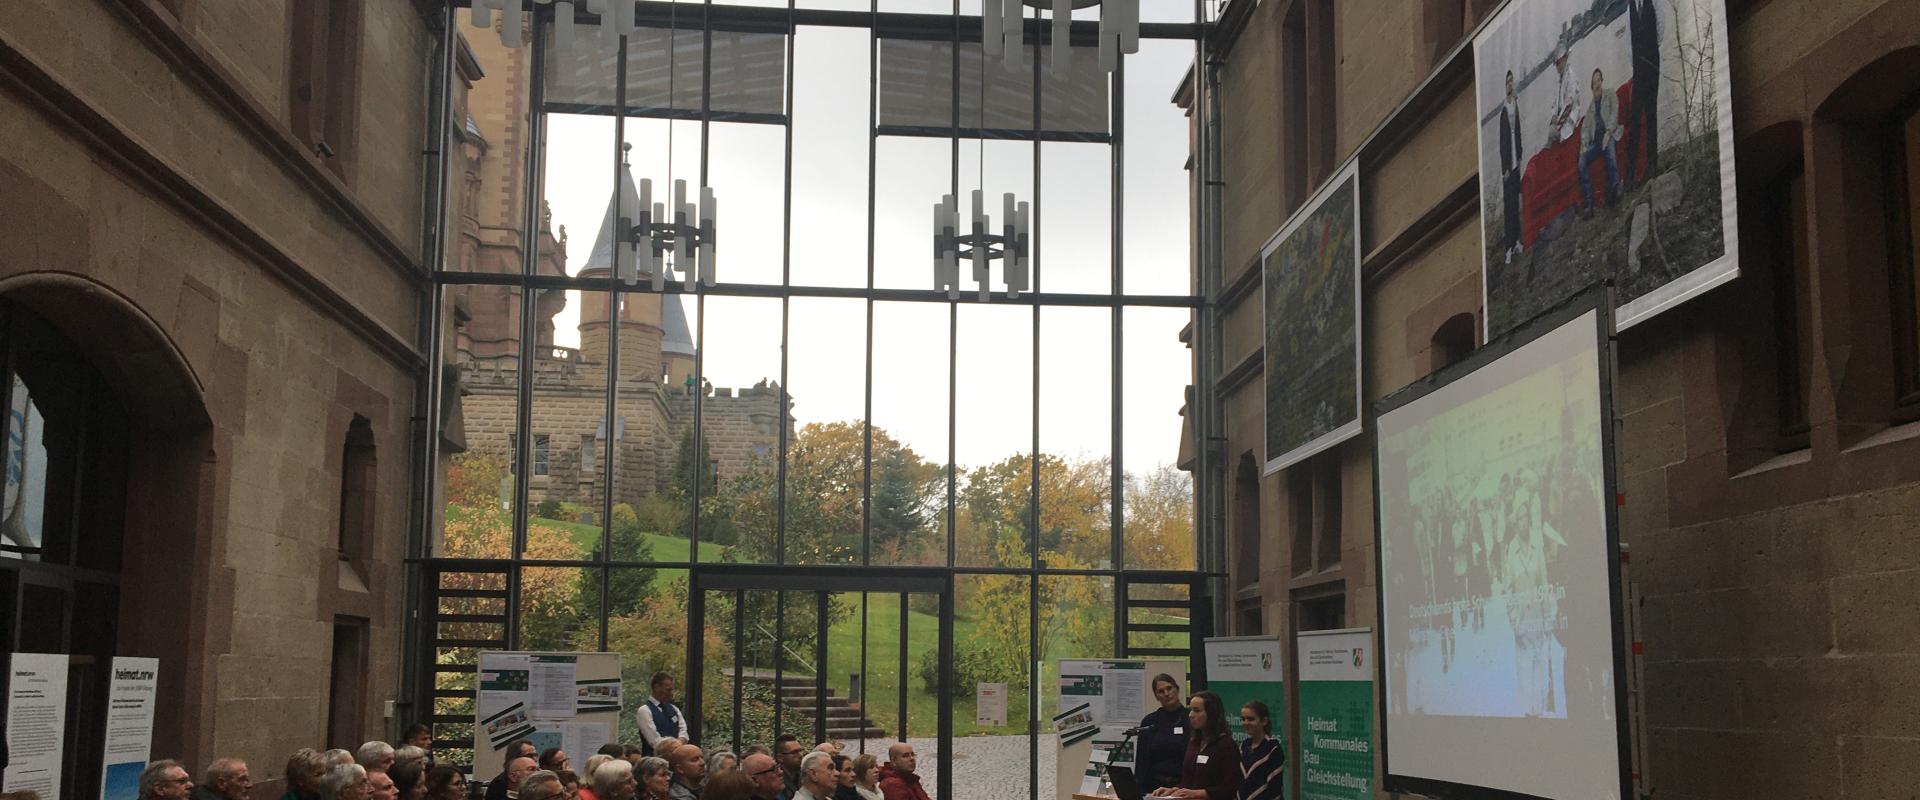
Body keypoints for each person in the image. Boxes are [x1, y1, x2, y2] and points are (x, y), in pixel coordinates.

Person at [1148, 691, 1236, 800]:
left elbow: (1230, 788)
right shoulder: (1194, 742)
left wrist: (1198, 793)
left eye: (1197, 711)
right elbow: (1188, 782)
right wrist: (1174, 790)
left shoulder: (1226, 745)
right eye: (1190, 710)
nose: (1190, 715)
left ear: (1211, 714)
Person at [1577, 67, 1623, 212]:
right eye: (1594, 83)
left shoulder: (1610, 94)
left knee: (1609, 151)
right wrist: (1584, 146)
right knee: (1582, 161)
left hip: (1609, 135)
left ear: (1602, 81)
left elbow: (1614, 114)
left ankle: (1616, 189)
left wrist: (1608, 133)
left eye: (1598, 80)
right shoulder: (1590, 109)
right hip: (1596, 143)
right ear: (1591, 87)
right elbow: (1584, 130)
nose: (1597, 85)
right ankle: (1589, 203)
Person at [1135, 673, 1188, 796]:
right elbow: (1142, 761)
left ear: (1177, 689)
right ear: (1157, 696)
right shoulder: (1150, 721)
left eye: (1169, 688)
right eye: (1161, 691)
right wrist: (1140, 792)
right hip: (1154, 788)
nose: (1166, 693)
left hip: (1183, 787)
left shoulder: (1190, 718)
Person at [1625, 0, 1661, 183]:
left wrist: (1651, 53)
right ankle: (1631, 174)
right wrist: (1637, 65)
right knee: (1635, 120)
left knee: (1652, 114)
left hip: (1652, 64)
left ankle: (1653, 165)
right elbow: (1628, 42)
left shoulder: (1654, 1)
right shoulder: (1629, 8)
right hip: (1638, 71)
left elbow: (1660, 29)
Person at [1498, 69, 1526, 263]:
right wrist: (1505, 168)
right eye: (1507, 82)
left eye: (1511, 82)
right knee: (1508, 208)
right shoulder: (1502, 113)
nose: (1510, 85)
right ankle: (1508, 247)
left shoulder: (1515, 106)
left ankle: (1517, 241)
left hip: (1517, 165)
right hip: (1508, 168)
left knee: (1516, 205)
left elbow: (1519, 134)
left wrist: (1521, 155)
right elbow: (1502, 144)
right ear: (1505, 86)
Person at [1235, 702, 1283, 800]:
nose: (1245, 723)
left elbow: (1274, 787)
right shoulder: (1244, 745)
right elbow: (1239, 780)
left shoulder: (1272, 747)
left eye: (1250, 719)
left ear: (1264, 721)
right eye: (1243, 719)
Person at [638, 672, 686, 757]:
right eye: (668, 690)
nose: (671, 693)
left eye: (672, 690)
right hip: (654, 761)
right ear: (656, 687)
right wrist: (673, 748)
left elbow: (683, 731)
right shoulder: (644, 710)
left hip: (676, 758)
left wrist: (679, 744)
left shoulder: (674, 709)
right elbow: (654, 740)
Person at [1547, 47, 1580, 145]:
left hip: (1570, 121)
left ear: (1565, 59)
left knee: (1553, 135)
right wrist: (1553, 115)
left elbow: (1569, 106)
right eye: (1556, 64)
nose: (1558, 67)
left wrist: (1557, 123)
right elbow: (1554, 102)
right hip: (1560, 123)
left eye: (1559, 63)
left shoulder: (1571, 78)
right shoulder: (1558, 80)